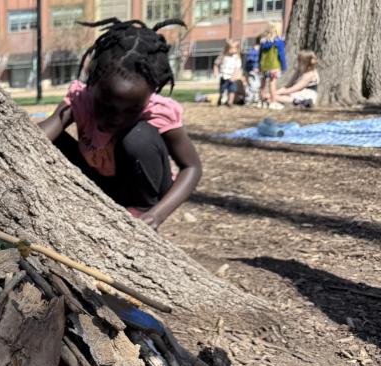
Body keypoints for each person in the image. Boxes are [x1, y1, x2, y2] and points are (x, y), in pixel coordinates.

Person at [39, 18, 202, 230]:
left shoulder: (158, 111)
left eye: (132, 110)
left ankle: (139, 209)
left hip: (142, 190)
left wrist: (157, 214)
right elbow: (40, 136)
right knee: (53, 137)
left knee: (138, 136)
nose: (117, 117)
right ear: (92, 83)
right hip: (101, 181)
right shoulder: (82, 97)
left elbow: (192, 167)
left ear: (150, 95)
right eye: (106, 106)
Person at [259, 23, 287, 110]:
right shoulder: (278, 42)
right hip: (274, 67)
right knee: (272, 84)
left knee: (263, 84)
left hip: (264, 66)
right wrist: (283, 66)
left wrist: (259, 65)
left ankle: (262, 101)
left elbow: (260, 55)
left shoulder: (263, 42)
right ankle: (273, 102)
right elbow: (281, 55)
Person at [213, 39, 242, 107]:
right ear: (227, 48)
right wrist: (215, 71)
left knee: (232, 90)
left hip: (232, 77)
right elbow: (216, 64)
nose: (233, 50)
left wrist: (234, 76)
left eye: (235, 48)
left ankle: (230, 102)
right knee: (222, 89)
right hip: (224, 76)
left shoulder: (237, 58)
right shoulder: (223, 56)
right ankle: (221, 98)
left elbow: (237, 68)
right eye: (231, 48)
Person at [243, 37, 262, 107]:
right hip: (252, 72)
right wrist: (254, 67)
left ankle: (256, 100)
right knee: (253, 86)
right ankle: (249, 100)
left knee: (257, 86)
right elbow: (250, 61)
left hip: (259, 71)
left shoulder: (261, 50)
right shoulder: (253, 50)